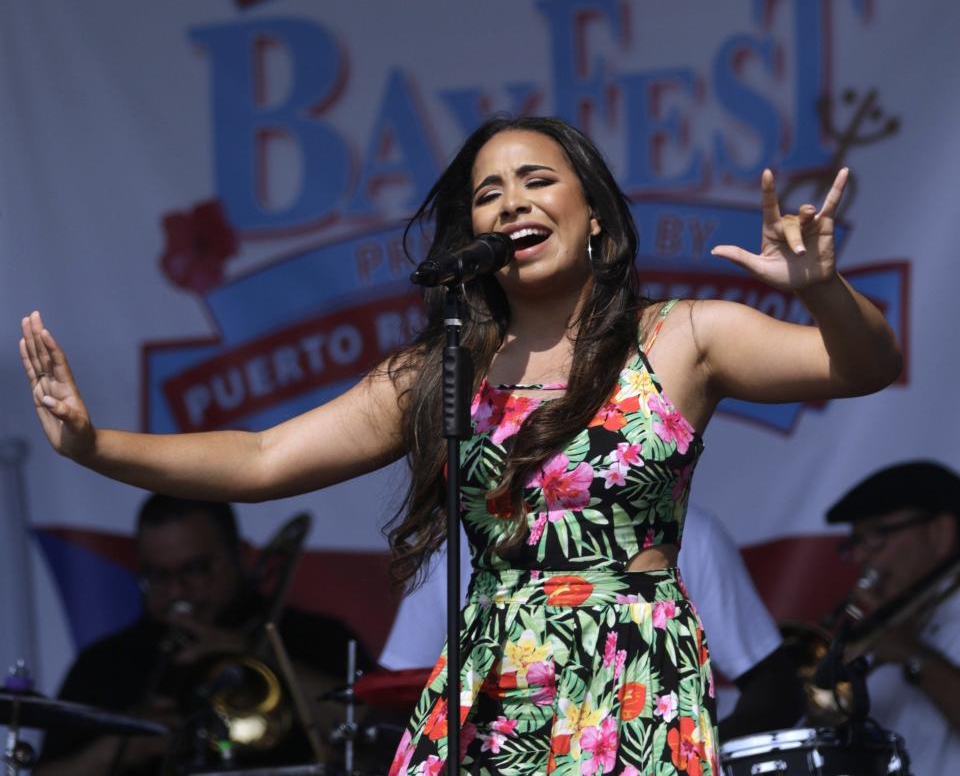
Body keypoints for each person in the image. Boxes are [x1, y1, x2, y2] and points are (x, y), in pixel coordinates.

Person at [20, 115, 901, 775]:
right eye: (489, 193)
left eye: (536, 181)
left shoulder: (683, 337)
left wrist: (823, 290)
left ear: (594, 214)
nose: (512, 201)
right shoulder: (443, 369)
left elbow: (866, 364)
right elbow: (261, 460)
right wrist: (96, 445)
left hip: (628, 672)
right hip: (493, 680)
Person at [379, 504, 804, 743]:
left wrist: (692, 755)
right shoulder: (458, 547)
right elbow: (396, 698)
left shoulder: (688, 533)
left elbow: (776, 688)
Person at [34, 493, 373, 776]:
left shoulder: (313, 636)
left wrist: (258, 654)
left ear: (239, 555)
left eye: (194, 570)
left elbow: (384, 735)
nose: (177, 591)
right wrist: (119, 747)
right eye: (158, 576)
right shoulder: (105, 663)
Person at [824, 460, 960, 773]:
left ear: (941, 532)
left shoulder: (903, 640)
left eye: (876, 534)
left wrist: (913, 655)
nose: (859, 556)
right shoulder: (890, 630)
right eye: (855, 542)